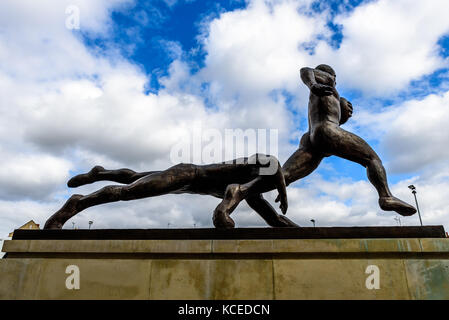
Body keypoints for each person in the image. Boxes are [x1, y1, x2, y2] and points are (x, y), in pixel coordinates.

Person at [44, 64, 416, 230]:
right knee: (131, 194)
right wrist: (315, 84)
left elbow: (255, 193)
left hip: (200, 181)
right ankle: (77, 204)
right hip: (193, 174)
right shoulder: (323, 86)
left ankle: (102, 173)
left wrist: (279, 221)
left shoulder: (296, 148)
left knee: (141, 180)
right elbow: (267, 171)